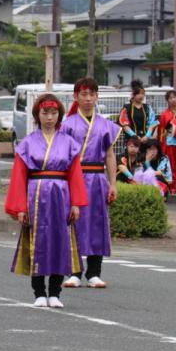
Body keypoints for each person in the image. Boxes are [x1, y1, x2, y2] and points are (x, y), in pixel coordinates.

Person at [5, 93, 87, 308]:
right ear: (37, 115)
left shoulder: (69, 143)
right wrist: (20, 206)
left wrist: (76, 203)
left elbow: (75, 175)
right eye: (45, 113)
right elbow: (19, 176)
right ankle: (39, 292)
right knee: (38, 242)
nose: (49, 117)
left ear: (59, 115)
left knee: (61, 242)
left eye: (53, 113)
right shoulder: (28, 143)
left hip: (61, 195)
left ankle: (56, 292)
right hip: (36, 195)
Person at [60, 77, 118, 289]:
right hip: (75, 178)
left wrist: (113, 183)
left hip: (97, 179)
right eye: (83, 94)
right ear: (76, 97)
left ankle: (94, 272)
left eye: (91, 94)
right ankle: (74, 271)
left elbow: (110, 156)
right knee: (74, 222)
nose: (87, 98)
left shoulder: (105, 125)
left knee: (97, 223)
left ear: (96, 97)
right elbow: (62, 155)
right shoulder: (67, 125)